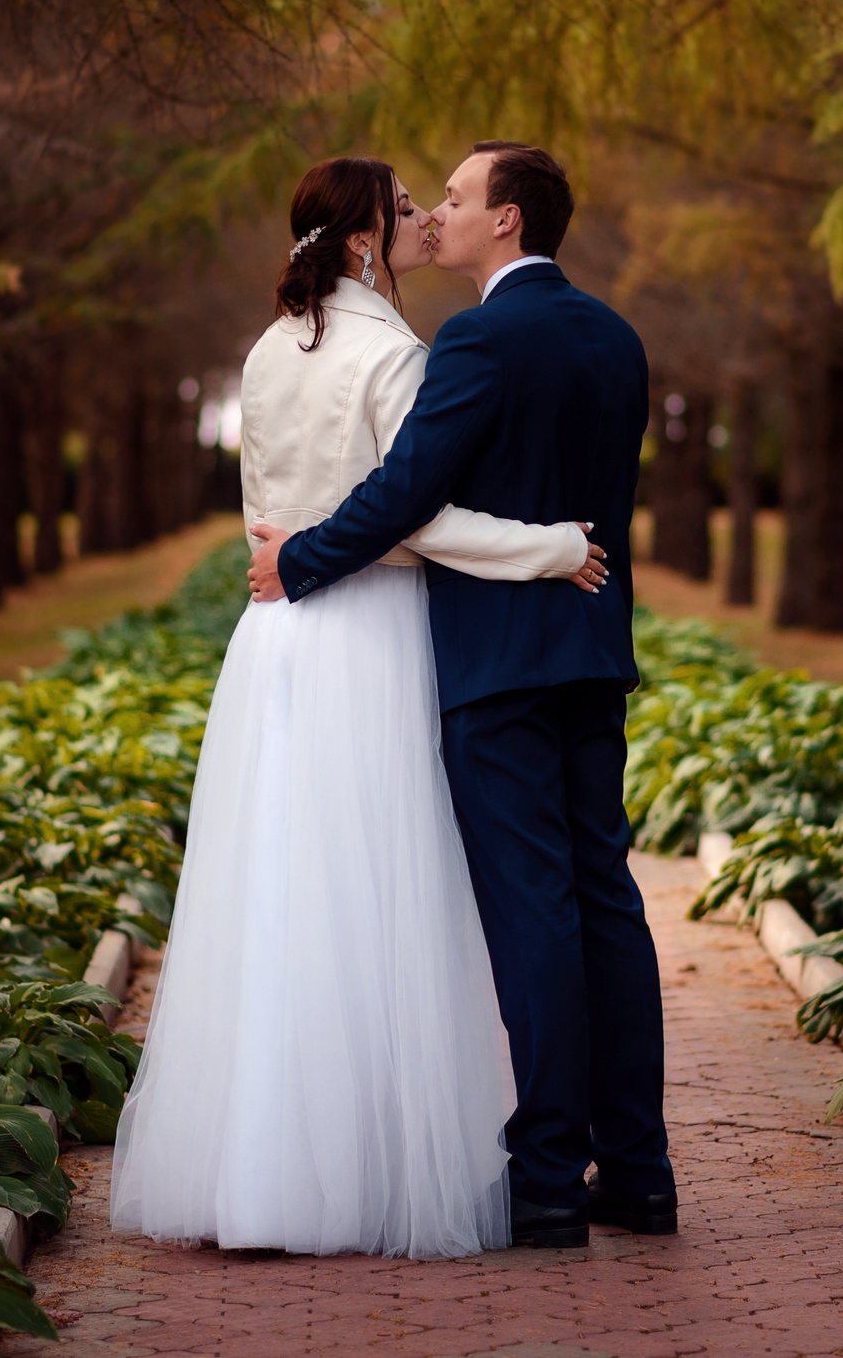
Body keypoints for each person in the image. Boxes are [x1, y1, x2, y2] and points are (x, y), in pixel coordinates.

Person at [108, 156, 604, 1260]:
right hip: (367, 634)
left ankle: (264, 1167)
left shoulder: (265, 350)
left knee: (281, 895)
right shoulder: (394, 354)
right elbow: (414, 519)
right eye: (408, 210)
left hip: (274, 638)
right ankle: (363, 1165)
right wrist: (550, 547)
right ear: (370, 239)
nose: (429, 218)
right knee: (370, 897)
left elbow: (261, 527)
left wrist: (289, 560)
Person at [248, 141, 675, 1250]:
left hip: (497, 666)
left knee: (534, 908)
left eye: (457, 197)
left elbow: (403, 494)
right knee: (608, 901)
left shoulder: (478, 338)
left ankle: (543, 1176)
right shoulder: (619, 339)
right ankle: (636, 1168)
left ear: (510, 223)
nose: (436, 212)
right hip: (592, 649)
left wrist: (296, 559)